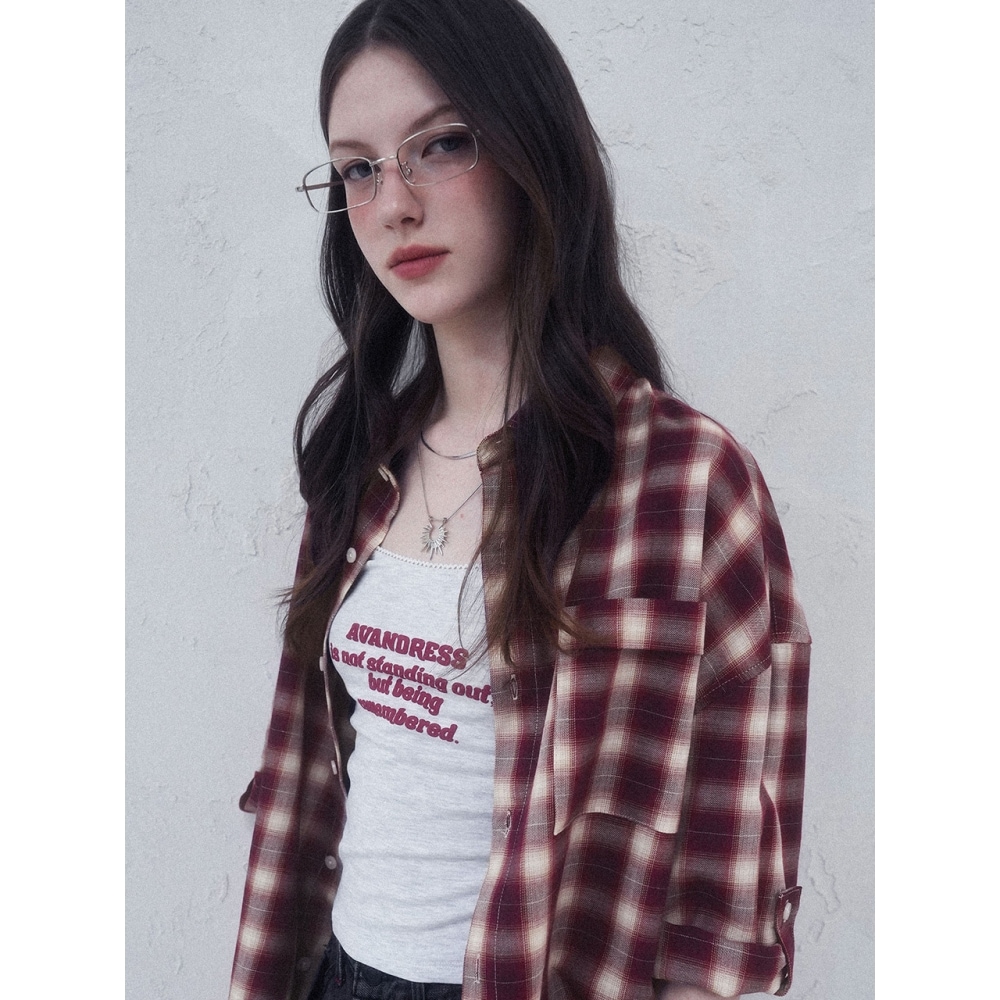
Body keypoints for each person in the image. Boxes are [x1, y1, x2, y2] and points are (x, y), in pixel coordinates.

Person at [228, 1, 811, 998]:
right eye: (358, 169)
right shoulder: (357, 465)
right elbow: (305, 789)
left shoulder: (686, 484)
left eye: (440, 144)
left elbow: (729, 900)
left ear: (530, 147)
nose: (393, 205)